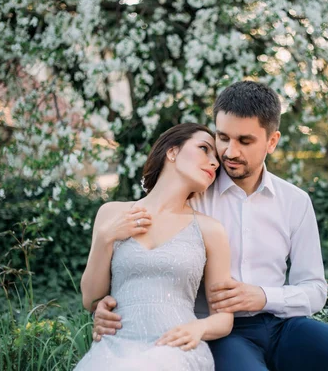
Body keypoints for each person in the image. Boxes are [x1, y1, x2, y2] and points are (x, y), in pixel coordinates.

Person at [93, 81, 328, 370]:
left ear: (272, 141)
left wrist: (263, 296)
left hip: (283, 324)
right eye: (223, 137)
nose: (229, 152)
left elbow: (315, 289)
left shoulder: (295, 201)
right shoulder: (194, 196)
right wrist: (104, 305)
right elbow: (143, 254)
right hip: (223, 333)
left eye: (245, 141)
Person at [75, 123, 233, 370]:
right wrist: (106, 237)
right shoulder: (111, 213)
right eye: (204, 149)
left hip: (176, 347)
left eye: (217, 160)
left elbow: (224, 317)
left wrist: (199, 327)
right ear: (172, 152)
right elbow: (91, 299)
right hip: (114, 346)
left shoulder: (210, 230)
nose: (214, 162)